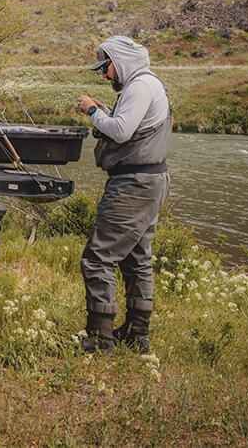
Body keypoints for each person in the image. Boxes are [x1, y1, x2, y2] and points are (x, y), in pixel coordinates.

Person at [76, 35, 171, 353]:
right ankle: (137, 334)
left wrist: (92, 111)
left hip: (132, 185)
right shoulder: (147, 85)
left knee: (98, 258)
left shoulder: (140, 86)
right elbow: (127, 125)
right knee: (137, 259)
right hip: (148, 181)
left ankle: (100, 339)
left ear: (120, 61)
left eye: (106, 66)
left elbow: (121, 131)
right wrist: (105, 111)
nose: (104, 74)